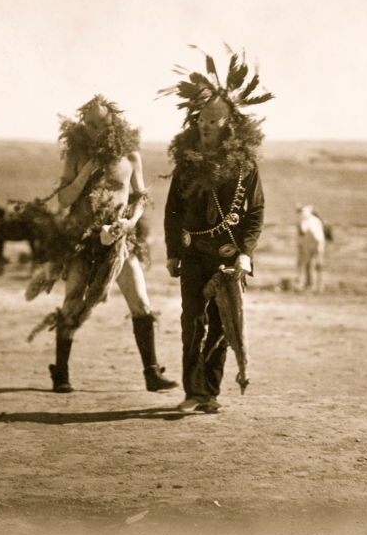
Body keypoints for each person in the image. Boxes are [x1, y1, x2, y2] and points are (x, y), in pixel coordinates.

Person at [25, 95, 177, 394]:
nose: (95, 130)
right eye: (90, 124)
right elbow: (64, 199)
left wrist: (130, 222)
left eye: (101, 124)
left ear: (113, 123)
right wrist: (86, 171)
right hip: (82, 242)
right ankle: (61, 373)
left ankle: (152, 373)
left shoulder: (130, 156)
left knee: (141, 304)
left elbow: (139, 197)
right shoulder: (76, 154)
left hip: (121, 241)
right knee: (72, 306)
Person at [161, 48, 271, 414]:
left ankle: (209, 393)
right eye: (201, 118)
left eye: (213, 119)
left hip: (228, 257)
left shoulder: (244, 165)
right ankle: (193, 392)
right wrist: (173, 252)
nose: (206, 125)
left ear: (228, 123)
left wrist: (246, 253)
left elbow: (256, 211)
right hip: (193, 255)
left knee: (223, 324)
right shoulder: (186, 163)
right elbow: (172, 210)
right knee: (192, 322)